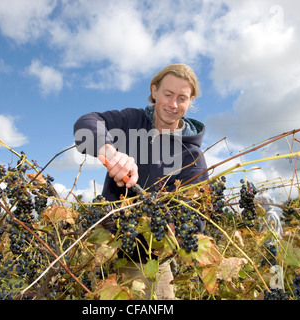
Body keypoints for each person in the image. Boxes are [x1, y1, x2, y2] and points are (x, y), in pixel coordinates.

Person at [73, 64, 209, 299]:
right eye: (167, 94)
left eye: (182, 98)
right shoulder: (130, 121)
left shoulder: (192, 157)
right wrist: (109, 151)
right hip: (105, 249)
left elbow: (194, 220)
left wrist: (168, 228)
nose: (173, 104)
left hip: (148, 263)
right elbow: (87, 123)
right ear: (154, 91)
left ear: (190, 101)